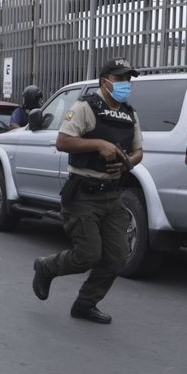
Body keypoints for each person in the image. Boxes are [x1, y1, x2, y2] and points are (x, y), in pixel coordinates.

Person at [31, 57, 143, 324]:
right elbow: (62, 141)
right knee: (88, 254)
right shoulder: (85, 107)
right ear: (105, 81)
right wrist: (98, 145)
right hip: (83, 193)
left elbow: (139, 151)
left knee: (117, 258)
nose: (125, 84)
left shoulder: (129, 113)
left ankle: (85, 304)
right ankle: (46, 267)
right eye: (120, 79)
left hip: (113, 195)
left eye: (129, 79)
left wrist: (126, 164)